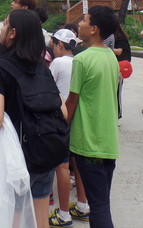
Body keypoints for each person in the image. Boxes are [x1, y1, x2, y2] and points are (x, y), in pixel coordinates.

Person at [0, 9, 64, 228]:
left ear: (13, 33)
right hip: (45, 150)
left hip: (14, 157)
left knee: (14, 218)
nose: (1, 28)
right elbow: (63, 113)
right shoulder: (42, 68)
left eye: (4, 24)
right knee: (40, 220)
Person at [66, 5, 121, 228]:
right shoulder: (110, 57)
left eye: (84, 20)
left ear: (93, 29)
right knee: (101, 202)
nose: (79, 24)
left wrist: (61, 128)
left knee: (98, 206)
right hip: (107, 141)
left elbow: (72, 101)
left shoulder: (82, 59)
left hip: (88, 142)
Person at [47, 29, 90, 227]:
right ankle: (82, 205)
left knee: (62, 165)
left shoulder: (58, 63)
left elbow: (48, 87)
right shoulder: (80, 62)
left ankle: (63, 213)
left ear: (60, 45)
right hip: (78, 117)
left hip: (61, 117)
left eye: (53, 44)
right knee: (77, 163)